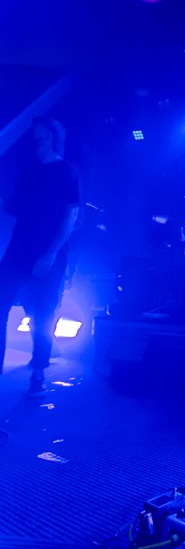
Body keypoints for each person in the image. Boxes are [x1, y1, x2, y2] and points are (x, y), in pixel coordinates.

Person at [0, 117, 80, 396]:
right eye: (34, 136)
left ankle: (38, 374)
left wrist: (51, 252)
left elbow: (71, 214)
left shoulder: (67, 171)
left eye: (40, 136)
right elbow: (17, 208)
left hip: (49, 251)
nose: (35, 141)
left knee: (43, 312)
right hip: (19, 248)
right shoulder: (29, 171)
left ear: (52, 138)